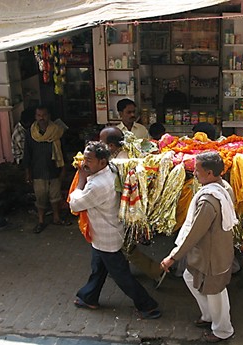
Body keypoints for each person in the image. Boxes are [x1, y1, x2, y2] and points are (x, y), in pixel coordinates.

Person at [69, 141, 161, 319]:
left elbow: (75, 204)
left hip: (107, 238)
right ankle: (89, 296)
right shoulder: (110, 170)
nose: (84, 163)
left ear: (102, 162)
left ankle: (147, 306)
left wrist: (80, 180)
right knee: (98, 268)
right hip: (104, 234)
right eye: (84, 158)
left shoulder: (97, 185)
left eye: (89, 160)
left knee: (121, 276)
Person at [161, 151, 238, 343]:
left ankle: (223, 330)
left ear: (210, 173)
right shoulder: (224, 187)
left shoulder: (208, 201)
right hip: (216, 250)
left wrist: (173, 257)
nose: (194, 173)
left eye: (197, 170)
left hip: (211, 256)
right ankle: (208, 316)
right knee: (190, 277)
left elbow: (194, 233)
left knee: (216, 293)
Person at [99, 126, 167, 288]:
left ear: (112, 146)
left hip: (124, 208)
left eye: (101, 142)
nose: (98, 144)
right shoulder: (118, 155)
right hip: (122, 208)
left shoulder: (121, 161)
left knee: (125, 246)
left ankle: (156, 270)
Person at [23, 105, 70, 233]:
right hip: (38, 170)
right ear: (35, 117)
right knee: (40, 198)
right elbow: (27, 154)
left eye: (44, 115)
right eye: (39, 115)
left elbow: (63, 152)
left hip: (54, 169)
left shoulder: (57, 131)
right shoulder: (31, 133)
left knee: (55, 196)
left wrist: (64, 169)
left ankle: (56, 218)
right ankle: (41, 221)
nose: (41, 118)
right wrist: (27, 172)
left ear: (49, 116)